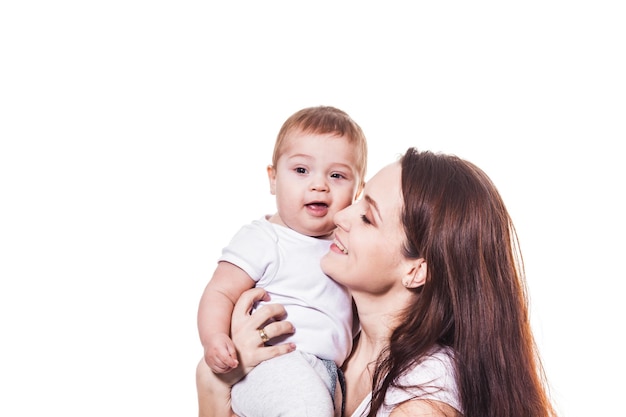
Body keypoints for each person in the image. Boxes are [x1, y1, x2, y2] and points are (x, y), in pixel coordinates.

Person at [196, 147, 558, 417]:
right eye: (357, 199)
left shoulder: (424, 400)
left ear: (417, 270)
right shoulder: (329, 339)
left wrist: (212, 388)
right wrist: (223, 376)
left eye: (367, 217)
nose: (340, 215)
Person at [197, 106, 368, 416]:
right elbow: (220, 291)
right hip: (273, 362)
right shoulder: (265, 238)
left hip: (329, 374)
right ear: (273, 179)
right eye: (301, 170)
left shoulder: (349, 247)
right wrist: (215, 339)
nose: (319, 185)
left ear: (359, 191)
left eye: (337, 175)